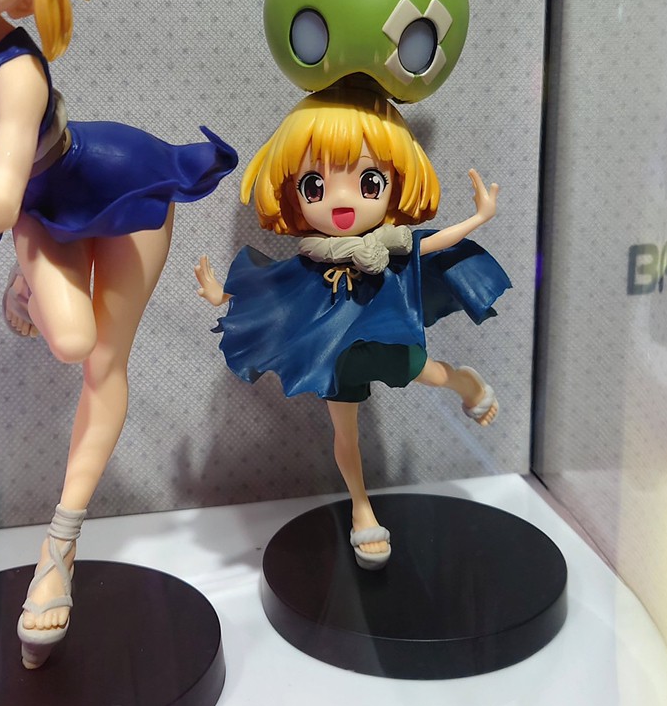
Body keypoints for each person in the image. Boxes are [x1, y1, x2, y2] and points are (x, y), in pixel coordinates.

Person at [0, 0, 236, 666]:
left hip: (115, 185)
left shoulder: (16, 74)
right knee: (68, 337)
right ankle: (32, 285)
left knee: (96, 358)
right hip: (41, 207)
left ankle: (58, 550)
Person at [196, 82, 508, 569]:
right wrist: (223, 295)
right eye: (315, 186)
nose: (340, 203)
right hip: (335, 356)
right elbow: (272, 291)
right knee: (345, 435)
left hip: (387, 336)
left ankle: (467, 383)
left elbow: (435, 243)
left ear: (394, 183)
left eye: (368, 183)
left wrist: (479, 218)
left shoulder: (391, 247)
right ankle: (362, 509)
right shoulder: (311, 258)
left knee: (432, 374)